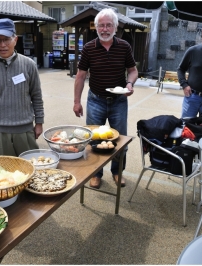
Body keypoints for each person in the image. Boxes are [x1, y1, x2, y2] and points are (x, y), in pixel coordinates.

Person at [73, 8, 138, 189]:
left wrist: (130, 84)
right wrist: (77, 102)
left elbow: (133, 71)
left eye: (109, 25)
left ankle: (117, 172)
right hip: (96, 100)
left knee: (119, 140)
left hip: (118, 102)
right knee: (94, 139)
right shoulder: (89, 48)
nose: (105, 29)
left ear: (115, 27)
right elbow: (80, 76)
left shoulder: (124, 46)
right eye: (101, 25)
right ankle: (96, 173)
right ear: (96, 27)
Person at [0, 18, 44, 157]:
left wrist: (39, 122)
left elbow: (36, 96)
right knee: (5, 172)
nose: (2, 45)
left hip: (24, 128)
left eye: (6, 39)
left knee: (31, 168)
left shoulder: (29, 65)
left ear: (15, 39)